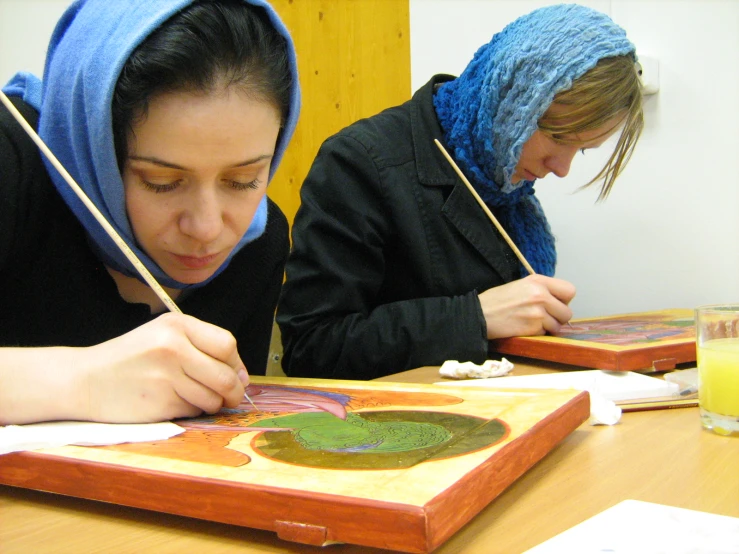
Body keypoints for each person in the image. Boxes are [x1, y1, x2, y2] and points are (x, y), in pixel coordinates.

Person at [276, 4, 643, 380]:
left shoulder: (501, 179)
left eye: (580, 150)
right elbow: (312, 348)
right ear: (513, 98)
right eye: (557, 137)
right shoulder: (361, 161)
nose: (561, 168)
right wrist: (476, 317)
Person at [0, 0, 300, 424]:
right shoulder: (13, 163)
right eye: (162, 181)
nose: (207, 227)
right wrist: (83, 380)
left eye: (243, 180)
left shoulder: (258, 244)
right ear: (97, 144)